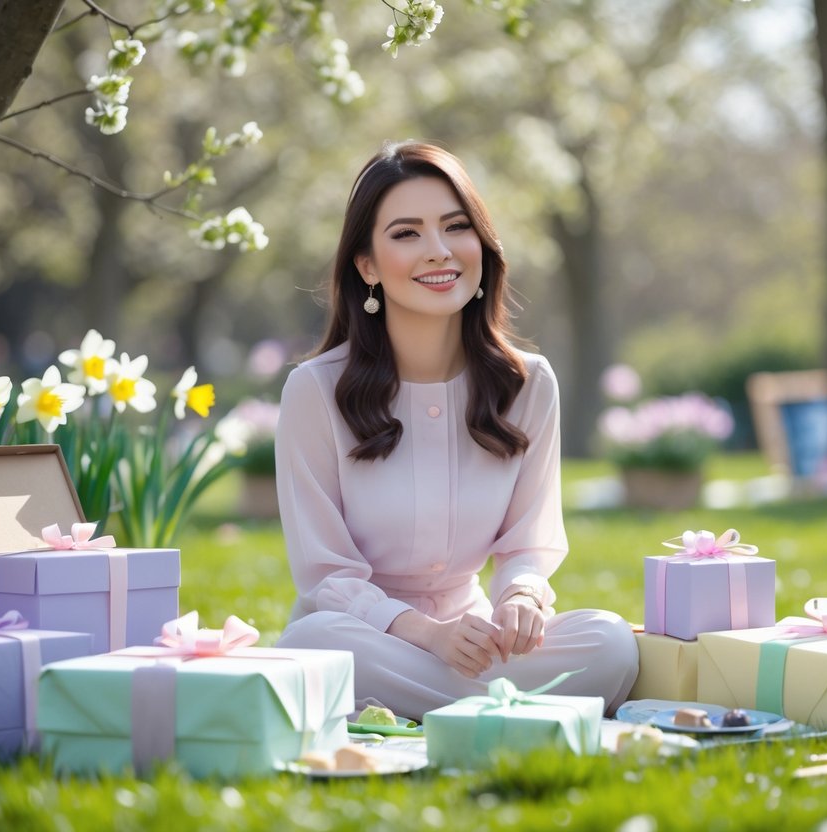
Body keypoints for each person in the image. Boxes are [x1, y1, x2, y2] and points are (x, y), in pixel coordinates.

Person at [273, 141, 637, 721]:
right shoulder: (315, 391)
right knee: (309, 647)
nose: (439, 251)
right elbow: (327, 576)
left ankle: (449, 707)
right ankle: (505, 710)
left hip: (479, 646)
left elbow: (528, 545)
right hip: (365, 637)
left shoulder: (529, 384)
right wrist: (425, 634)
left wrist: (520, 597)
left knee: (612, 641)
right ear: (366, 265)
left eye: (455, 226)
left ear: (482, 244)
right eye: (406, 233)